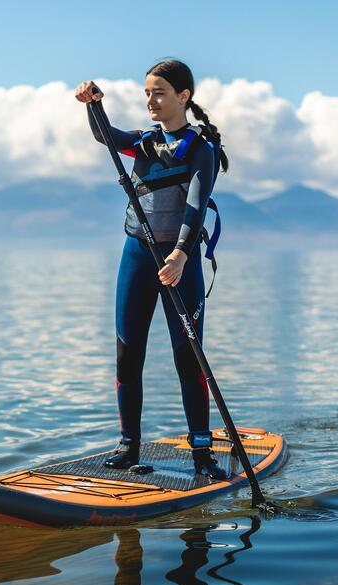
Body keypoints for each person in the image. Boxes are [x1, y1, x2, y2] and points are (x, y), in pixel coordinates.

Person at [74, 60, 229, 478]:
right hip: (137, 256)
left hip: (180, 263)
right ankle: (129, 446)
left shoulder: (201, 150)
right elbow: (105, 136)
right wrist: (94, 105)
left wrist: (180, 254)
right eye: (146, 93)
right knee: (128, 354)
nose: (151, 100)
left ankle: (201, 450)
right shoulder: (143, 143)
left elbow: (196, 206)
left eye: (159, 92)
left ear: (184, 97)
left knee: (187, 358)